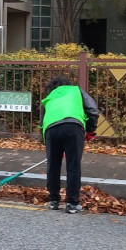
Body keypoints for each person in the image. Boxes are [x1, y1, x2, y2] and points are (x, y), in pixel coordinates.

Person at [41, 75, 99, 214]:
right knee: (73, 165)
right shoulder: (76, 91)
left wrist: (51, 143)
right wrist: (90, 130)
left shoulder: (49, 97)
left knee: (53, 165)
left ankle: (53, 200)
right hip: (73, 127)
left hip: (51, 130)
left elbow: (42, 122)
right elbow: (93, 111)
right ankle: (72, 203)